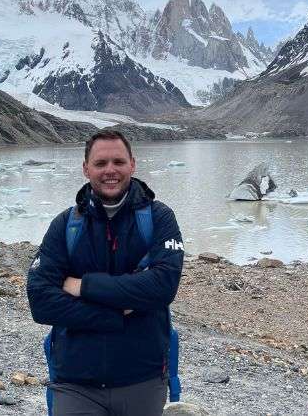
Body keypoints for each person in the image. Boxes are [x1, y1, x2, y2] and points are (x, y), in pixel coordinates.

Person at [27, 129, 184, 416]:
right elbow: (41, 301)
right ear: (86, 169)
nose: (110, 170)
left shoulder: (159, 218)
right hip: (76, 383)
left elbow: (163, 286)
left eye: (118, 162)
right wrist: (114, 314)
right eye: (100, 164)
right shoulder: (65, 225)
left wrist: (82, 286)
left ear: (132, 165)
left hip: (143, 378)